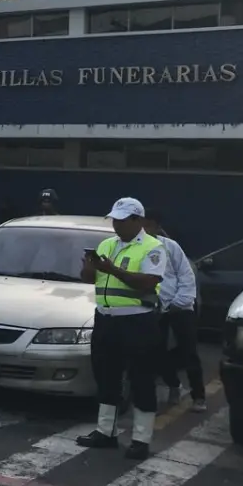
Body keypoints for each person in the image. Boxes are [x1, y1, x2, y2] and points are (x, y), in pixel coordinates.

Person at [77, 197, 166, 460]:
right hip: (106, 319)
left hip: (138, 321)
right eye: (114, 220)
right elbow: (88, 279)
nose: (116, 225)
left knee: (141, 379)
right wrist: (89, 268)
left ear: (137, 220)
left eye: (122, 220)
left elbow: (148, 283)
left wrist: (111, 269)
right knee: (106, 376)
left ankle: (141, 439)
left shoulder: (153, 247)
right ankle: (106, 432)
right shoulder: (107, 244)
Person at [143, 209, 205, 412]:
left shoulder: (170, 247)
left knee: (189, 352)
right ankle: (174, 385)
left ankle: (199, 396)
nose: (145, 229)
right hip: (155, 308)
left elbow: (186, 276)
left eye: (149, 224)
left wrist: (180, 301)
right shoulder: (138, 248)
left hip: (180, 306)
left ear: (157, 226)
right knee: (157, 352)